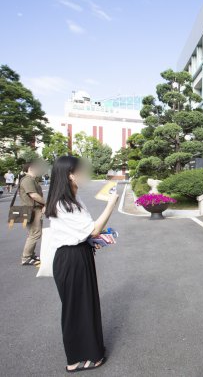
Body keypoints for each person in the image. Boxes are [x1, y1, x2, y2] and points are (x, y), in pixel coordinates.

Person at [45, 156, 118, 372]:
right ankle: (75, 360)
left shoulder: (73, 200)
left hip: (80, 255)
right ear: (70, 174)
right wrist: (112, 204)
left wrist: (93, 240)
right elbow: (93, 228)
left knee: (86, 306)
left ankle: (91, 352)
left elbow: (85, 232)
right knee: (76, 309)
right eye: (81, 171)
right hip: (71, 259)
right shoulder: (62, 203)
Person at [19, 162, 45, 266]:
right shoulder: (27, 180)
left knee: (34, 233)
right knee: (35, 234)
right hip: (31, 210)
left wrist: (42, 205)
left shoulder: (32, 179)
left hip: (34, 209)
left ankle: (30, 255)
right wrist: (46, 203)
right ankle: (26, 258)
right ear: (31, 168)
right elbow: (34, 195)